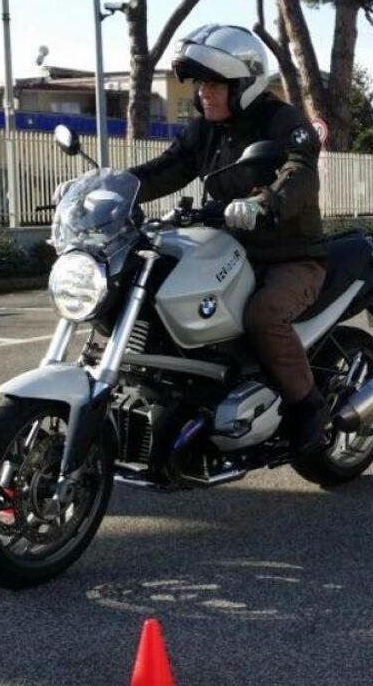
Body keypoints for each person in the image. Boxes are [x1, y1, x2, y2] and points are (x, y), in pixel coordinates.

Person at [127, 24, 327, 454]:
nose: (204, 93)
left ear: (244, 83)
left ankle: (307, 406)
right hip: (226, 250)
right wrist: (113, 186)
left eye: (214, 84)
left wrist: (265, 203)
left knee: (263, 316)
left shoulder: (283, 121)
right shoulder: (206, 129)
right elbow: (168, 167)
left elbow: (300, 172)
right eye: (200, 84)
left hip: (289, 257)